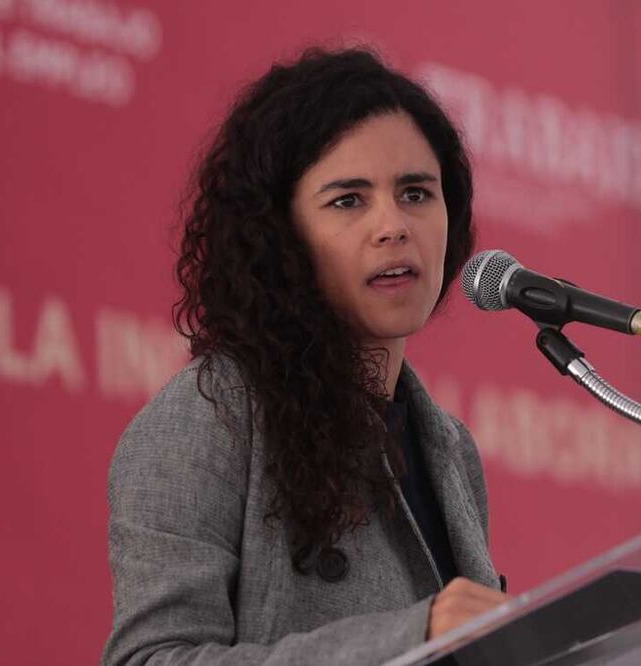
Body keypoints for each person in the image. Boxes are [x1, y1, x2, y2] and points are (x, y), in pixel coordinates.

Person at [102, 47, 508, 665]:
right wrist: (409, 636)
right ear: (281, 235)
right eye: (349, 200)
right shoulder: (210, 416)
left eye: (417, 193)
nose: (394, 225)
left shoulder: (451, 450)